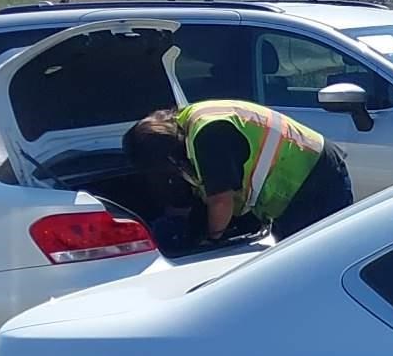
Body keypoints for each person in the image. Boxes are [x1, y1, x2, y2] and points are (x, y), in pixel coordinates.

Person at [121, 100, 354, 247]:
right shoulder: (187, 120)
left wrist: (211, 240)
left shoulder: (208, 135)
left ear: (168, 154)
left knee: (315, 261)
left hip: (314, 179)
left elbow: (221, 201)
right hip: (306, 173)